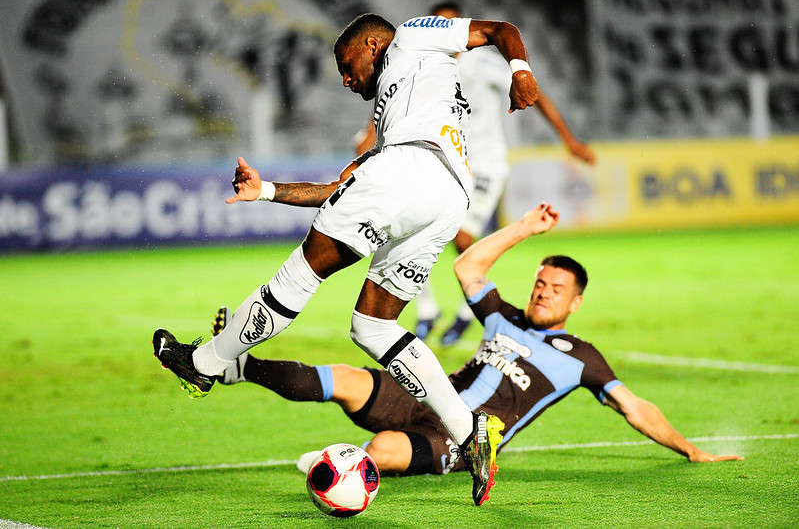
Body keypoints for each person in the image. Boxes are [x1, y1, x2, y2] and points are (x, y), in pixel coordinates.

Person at [152, 12, 540, 506]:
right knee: (373, 327)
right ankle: (470, 433)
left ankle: (204, 363)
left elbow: (497, 30)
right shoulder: (395, 116)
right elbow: (341, 190)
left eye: (347, 62)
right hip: (446, 194)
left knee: (302, 271)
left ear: (374, 45)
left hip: (413, 169)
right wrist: (266, 190)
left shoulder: (411, 36)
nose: (344, 77)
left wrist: (521, 70)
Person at [214, 203, 743, 479]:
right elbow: (467, 266)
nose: (543, 293)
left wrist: (692, 450)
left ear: (575, 303)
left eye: (556, 289)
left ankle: (343, 469)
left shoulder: (581, 358)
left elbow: (635, 408)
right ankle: (240, 367)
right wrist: (523, 229)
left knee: (384, 451)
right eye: (540, 282)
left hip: (467, 442)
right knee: (344, 379)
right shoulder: (503, 317)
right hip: (426, 392)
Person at [356, 1, 596, 347]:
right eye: (437, 25)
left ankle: (469, 313)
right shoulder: (423, 63)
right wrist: (370, 130)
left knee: (463, 239)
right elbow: (396, 96)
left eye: (451, 25)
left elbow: (537, 95)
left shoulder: (483, 63)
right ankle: (427, 311)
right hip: (445, 160)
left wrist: (568, 138)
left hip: (485, 163)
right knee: (405, 226)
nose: (445, 33)